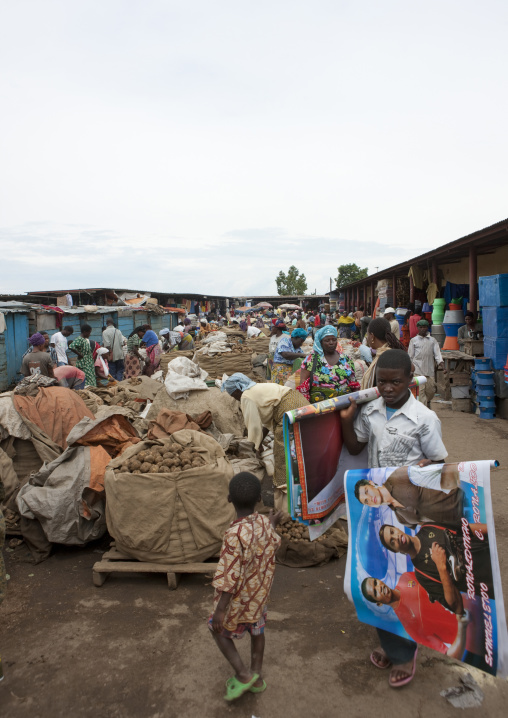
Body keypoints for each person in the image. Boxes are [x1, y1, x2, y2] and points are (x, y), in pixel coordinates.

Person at [339, 348, 448, 688]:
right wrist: (345, 421)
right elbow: (355, 448)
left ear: (410, 376)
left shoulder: (425, 419)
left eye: (395, 382)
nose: (387, 388)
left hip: (408, 513)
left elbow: (441, 463)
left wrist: (419, 471)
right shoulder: (370, 411)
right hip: (374, 508)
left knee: (405, 582)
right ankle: (389, 641)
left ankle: (404, 652)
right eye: (382, 382)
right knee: (374, 579)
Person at [209, 472, 282, 702]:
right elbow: (273, 540)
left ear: (229, 498)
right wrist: (272, 523)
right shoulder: (263, 523)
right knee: (258, 632)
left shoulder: (234, 535)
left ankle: (242, 674)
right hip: (259, 598)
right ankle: (257, 676)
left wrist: (220, 610)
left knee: (216, 629)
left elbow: (229, 577)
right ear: (260, 498)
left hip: (239, 602)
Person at [221, 374, 309, 511]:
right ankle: (305, 491)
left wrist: (256, 447)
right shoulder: (258, 388)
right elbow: (266, 424)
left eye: (233, 396)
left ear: (237, 390)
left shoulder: (246, 396)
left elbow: (253, 425)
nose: (235, 399)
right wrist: (260, 442)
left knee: (282, 456)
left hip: (288, 412)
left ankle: (285, 503)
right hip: (301, 404)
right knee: (301, 449)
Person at [379, 521, 493, 607]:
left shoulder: (427, 527)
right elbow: (454, 604)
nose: (396, 537)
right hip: (492, 584)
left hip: (493, 552)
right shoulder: (421, 574)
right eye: (392, 542)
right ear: (395, 550)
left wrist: (494, 529)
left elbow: (466, 529)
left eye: (393, 532)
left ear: (397, 528)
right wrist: (441, 568)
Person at [361, 574, 469, 660]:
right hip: (475, 637)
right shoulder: (409, 626)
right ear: (379, 604)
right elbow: (451, 656)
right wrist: (462, 626)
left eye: (376, 582)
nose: (379, 587)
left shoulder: (407, 578)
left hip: (476, 602)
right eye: (375, 592)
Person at [353, 463, 464, 528]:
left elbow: (447, 473)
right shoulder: (401, 518)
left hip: (466, 499)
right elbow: (430, 525)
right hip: (463, 523)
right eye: (366, 501)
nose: (369, 499)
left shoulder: (401, 475)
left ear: (371, 483)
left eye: (366, 492)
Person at [297, 326, 359, 402]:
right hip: (319, 407)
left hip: (344, 404)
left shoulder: (346, 359)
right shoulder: (311, 359)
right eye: (327, 340)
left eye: (334, 339)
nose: (331, 343)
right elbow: (303, 384)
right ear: (320, 342)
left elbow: (353, 382)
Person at [360, 318, 406, 390]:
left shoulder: (384, 358)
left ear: (372, 336)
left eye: (367, 335)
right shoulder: (391, 352)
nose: (367, 338)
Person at [408, 320, 444, 407]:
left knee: (431, 391)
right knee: (420, 393)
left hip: (429, 371)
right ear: (418, 328)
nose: (423, 329)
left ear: (427, 328)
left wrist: (442, 365)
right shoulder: (414, 341)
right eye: (421, 327)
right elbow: (410, 356)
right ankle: (423, 412)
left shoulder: (432, 340)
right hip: (417, 371)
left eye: (424, 327)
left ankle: (427, 403)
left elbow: (437, 354)